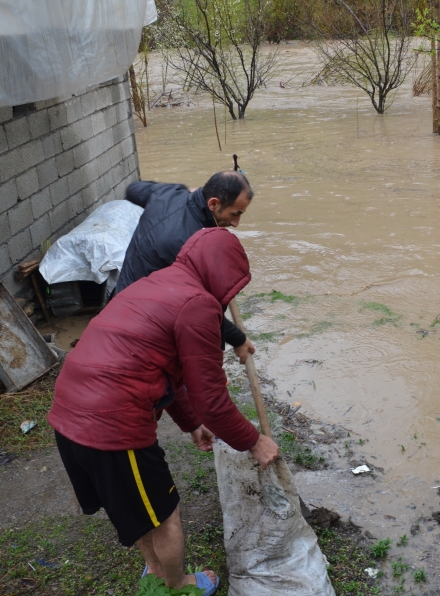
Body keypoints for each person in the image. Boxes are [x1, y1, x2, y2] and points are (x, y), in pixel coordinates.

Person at [48, 227, 280, 595]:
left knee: (134, 508)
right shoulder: (200, 305)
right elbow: (213, 400)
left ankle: (154, 570)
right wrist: (254, 442)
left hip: (67, 413)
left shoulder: (155, 282)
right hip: (111, 426)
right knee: (164, 515)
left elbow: (161, 368)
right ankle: (177, 586)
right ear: (225, 275)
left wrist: (190, 423)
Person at [117, 171, 256, 364]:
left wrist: (182, 190)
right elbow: (203, 314)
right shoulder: (192, 247)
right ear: (213, 204)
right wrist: (238, 340)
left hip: (121, 297)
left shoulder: (168, 194)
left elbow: (133, 190)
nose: (236, 223)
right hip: (143, 323)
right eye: (235, 214)